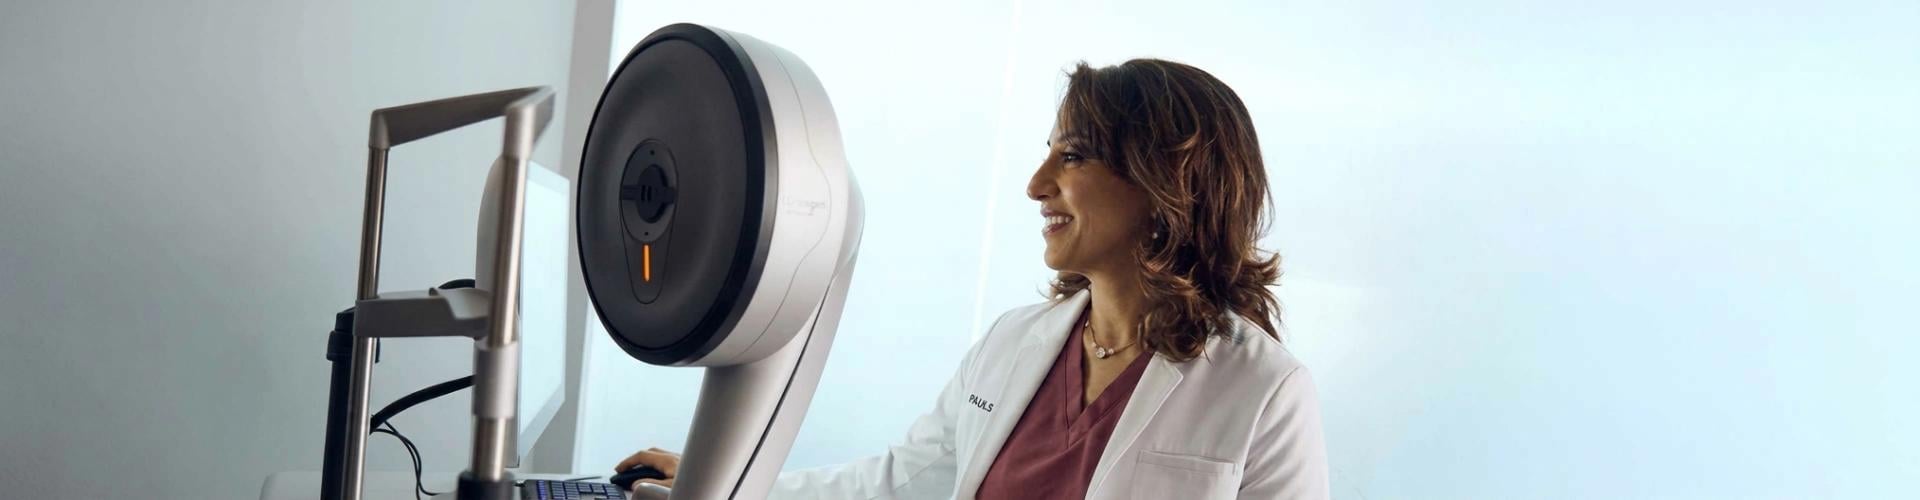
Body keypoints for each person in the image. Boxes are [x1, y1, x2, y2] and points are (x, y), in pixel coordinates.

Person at [617, 58, 1328, 500]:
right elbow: (900, 483)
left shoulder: (1263, 391)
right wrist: (726, 485)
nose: (1035, 184)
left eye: (1072, 157)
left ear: (1162, 180)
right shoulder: (1016, 343)